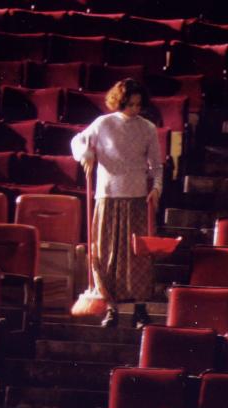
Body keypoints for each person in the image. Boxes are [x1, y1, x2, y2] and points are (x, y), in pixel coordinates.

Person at [70, 78, 164, 328]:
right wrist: (87, 153)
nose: (134, 109)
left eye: (137, 105)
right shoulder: (103, 123)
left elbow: (156, 164)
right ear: (118, 103)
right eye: (129, 105)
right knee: (107, 253)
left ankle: (140, 310)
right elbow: (78, 142)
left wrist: (156, 187)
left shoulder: (147, 128)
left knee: (138, 256)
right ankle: (111, 308)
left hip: (137, 197)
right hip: (108, 196)